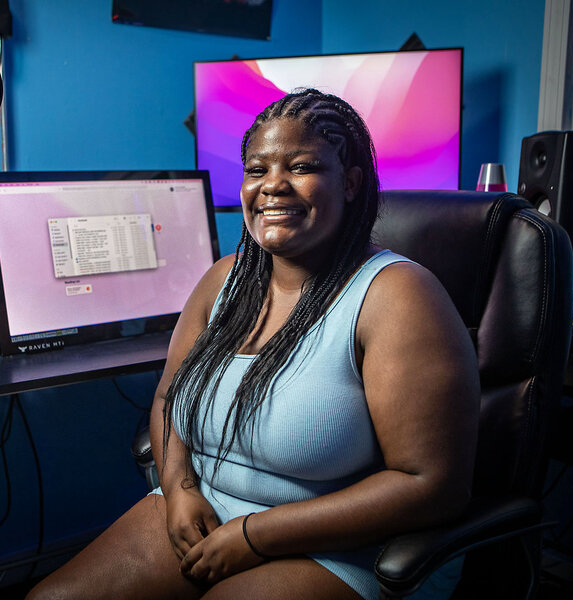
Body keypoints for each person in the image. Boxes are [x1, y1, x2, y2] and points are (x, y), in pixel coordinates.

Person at [26, 89, 479, 600]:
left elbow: (430, 485)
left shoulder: (397, 296)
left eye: (302, 166)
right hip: (212, 507)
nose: (273, 186)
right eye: (257, 169)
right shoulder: (223, 282)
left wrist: (255, 535)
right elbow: (169, 398)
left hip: (347, 545)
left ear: (351, 183)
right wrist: (179, 488)